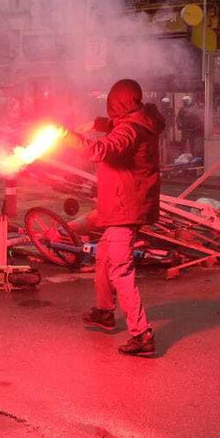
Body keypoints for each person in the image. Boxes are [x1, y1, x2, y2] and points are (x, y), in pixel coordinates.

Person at [75, 78, 166, 357]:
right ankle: (104, 312)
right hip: (124, 206)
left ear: (118, 103)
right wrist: (97, 123)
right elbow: (120, 128)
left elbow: (100, 150)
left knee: (120, 271)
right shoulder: (141, 121)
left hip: (123, 210)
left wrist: (65, 136)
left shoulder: (131, 129)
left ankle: (141, 335)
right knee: (104, 257)